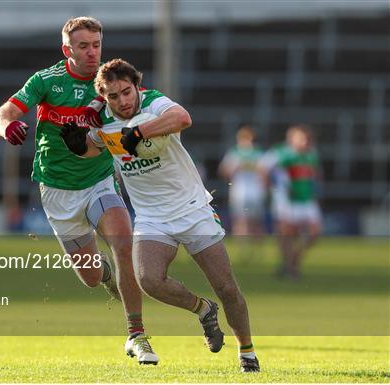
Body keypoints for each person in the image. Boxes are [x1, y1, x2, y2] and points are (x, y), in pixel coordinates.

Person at [60, 59, 260, 372]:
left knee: (226, 287)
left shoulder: (154, 102)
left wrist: (139, 130)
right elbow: (94, 146)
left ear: (136, 86)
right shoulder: (101, 119)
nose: (123, 101)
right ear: (104, 97)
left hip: (193, 210)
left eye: (127, 92)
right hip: (152, 216)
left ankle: (247, 353)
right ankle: (203, 309)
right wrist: (77, 145)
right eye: (114, 96)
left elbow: (183, 118)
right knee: (148, 280)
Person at [0, 17, 157, 365]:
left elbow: (140, 104)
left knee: (124, 243)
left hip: (99, 180)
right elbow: (3, 112)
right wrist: (8, 127)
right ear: (67, 49)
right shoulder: (46, 81)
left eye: (96, 45)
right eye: (83, 46)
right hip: (57, 191)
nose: (92, 52)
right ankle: (107, 277)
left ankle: (137, 336)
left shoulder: (109, 83)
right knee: (92, 277)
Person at [260, 124, 322, 279]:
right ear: (291, 139)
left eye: (307, 139)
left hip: (306, 198)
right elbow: (262, 168)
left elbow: (314, 174)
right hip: (286, 199)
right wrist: (269, 188)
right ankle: (289, 265)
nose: (305, 142)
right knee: (287, 232)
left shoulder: (311, 154)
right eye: (301, 138)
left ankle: (293, 259)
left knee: (315, 233)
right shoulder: (281, 153)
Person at [218, 126, 265, 239]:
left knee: (256, 221)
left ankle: (256, 248)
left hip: (256, 190)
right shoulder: (234, 153)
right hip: (239, 191)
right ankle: (242, 247)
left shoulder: (258, 153)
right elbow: (223, 172)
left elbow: (265, 173)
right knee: (240, 220)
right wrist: (233, 169)